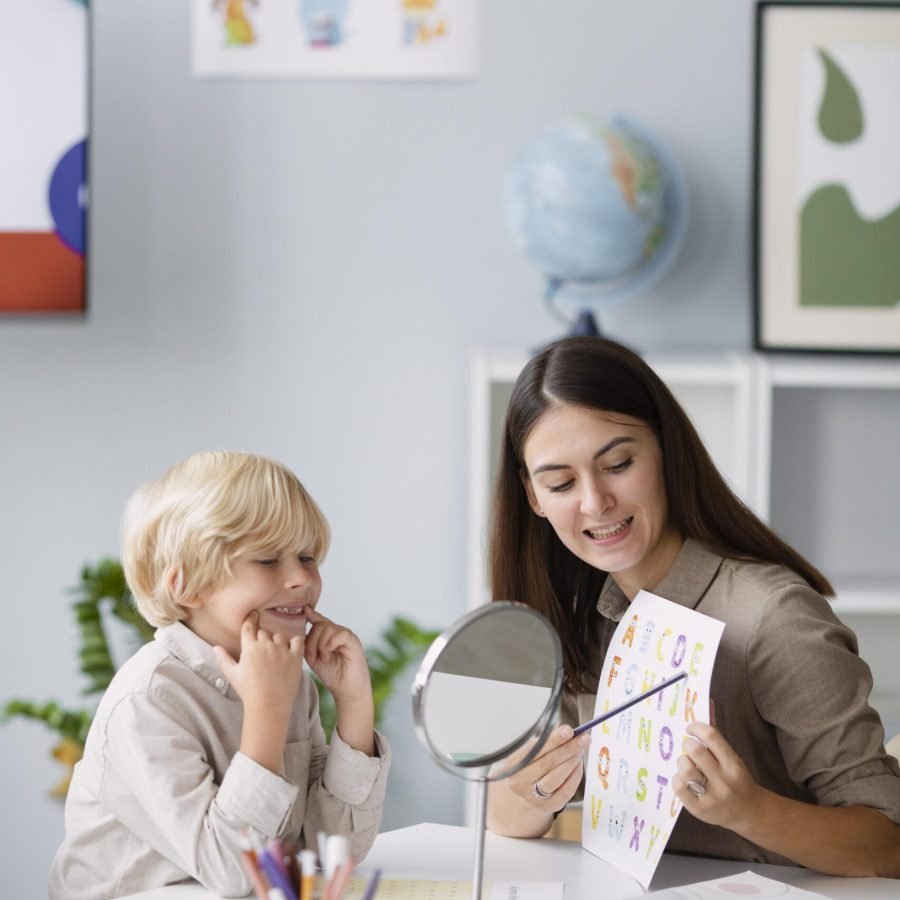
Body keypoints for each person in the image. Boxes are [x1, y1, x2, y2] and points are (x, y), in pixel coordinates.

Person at [485, 336, 900, 877]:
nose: (594, 502)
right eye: (560, 482)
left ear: (666, 450)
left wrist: (749, 811)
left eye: (617, 463)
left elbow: (888, 844)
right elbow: (504, 817)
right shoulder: (584, 617)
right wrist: (532, 789)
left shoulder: (774, 619)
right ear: (533, 497)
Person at [50, 450, 391, 899]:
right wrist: (267, 712)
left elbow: (330, 852)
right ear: (186, 586)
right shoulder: (147, 700)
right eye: (268, 560)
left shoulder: (289, 680)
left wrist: (353, 704)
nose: (299, 579)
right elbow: (235, 871)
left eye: (307, 557)